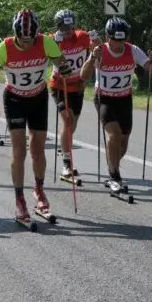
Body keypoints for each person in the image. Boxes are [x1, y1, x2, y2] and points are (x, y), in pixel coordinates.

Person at [0, 9, 70, 224]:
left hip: (38, 98)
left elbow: (60, 60)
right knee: (19, 149)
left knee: (38, 149)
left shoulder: (45, 42)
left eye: (30, 40)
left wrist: (64, 67)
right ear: (15, 34)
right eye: (22, 40)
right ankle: (19, 199)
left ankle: (39, 191)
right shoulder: (5, 47)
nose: (27, 44)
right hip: (14, 100)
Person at [79, 17, 152, 194]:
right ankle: (114, 176)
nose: (118, 44)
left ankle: (112, 164)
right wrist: (92, 57)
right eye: (114, 40)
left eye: (121, 40)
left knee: (123, 143)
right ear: (108, 38)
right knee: (113, 136)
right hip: (104, 98)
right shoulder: (100, 51)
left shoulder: (132, 50)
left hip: (124, 99)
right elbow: (84, 75)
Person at [49, 9, 93, 181]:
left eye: (70, 27)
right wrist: (54, 43)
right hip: (59, 86)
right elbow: (43, 57)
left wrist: (96, 40)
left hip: (78, 86)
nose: (67, 31)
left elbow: (97, 49)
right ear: (57, 27)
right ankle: (67, 165)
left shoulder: (82, 36)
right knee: (67, 121)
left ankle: (64, 146)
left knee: (72, 124)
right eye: (63, 28)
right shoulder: (53, 39)